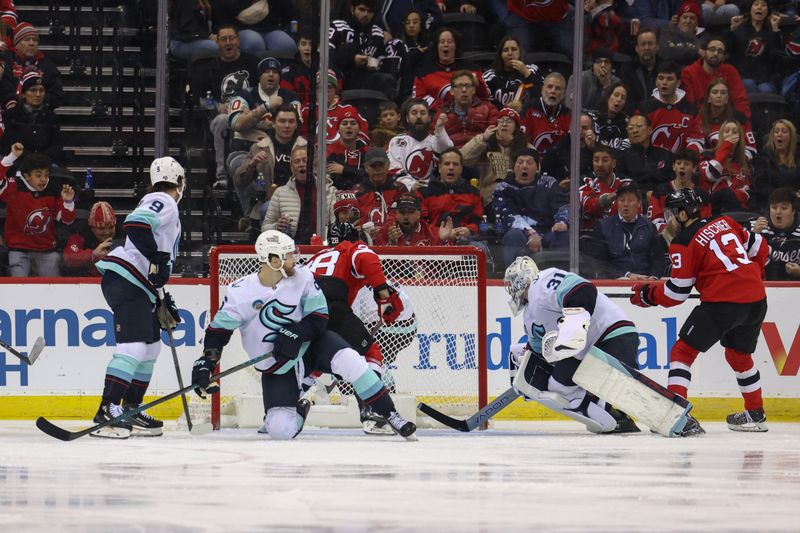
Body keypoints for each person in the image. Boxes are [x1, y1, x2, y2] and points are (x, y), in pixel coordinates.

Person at [192, 231, 416, 440]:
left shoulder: (303, 278)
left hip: (315, 346)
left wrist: (295, 333)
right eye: (288, 255)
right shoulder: (241, 292)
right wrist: (206, 362)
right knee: (280, 430)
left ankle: (391, 415)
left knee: (353, 361)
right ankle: (300, 405)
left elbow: (320, 318)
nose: (295, 259)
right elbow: (218, 331)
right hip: (280, 364)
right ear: (273, 260)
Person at [503, 255, 703, 436]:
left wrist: (575, 323)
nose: (511, 288)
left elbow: (583, 290)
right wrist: (526, 379)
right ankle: (616, 417)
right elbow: (540, 353)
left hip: (612, 333)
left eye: (512, 282)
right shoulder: (529, 317)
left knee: (625, 390)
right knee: (558, 386)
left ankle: (680, 420)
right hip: (585, 351)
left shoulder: (543, 280)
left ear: (522, 278)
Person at [630, 188, 769, 432]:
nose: (669, 219)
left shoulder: (683, 242)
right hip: (756, 299)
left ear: (683, 214)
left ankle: (676, 415)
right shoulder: (725, 221)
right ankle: (755, 413)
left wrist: (648, 294)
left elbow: (676, 293)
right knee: (739, 356)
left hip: (722, 302)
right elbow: (760, 247)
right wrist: (749, 276)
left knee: (682, 353)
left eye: (672, 213)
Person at [91, 157, 186, 438]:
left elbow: (150, 248)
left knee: (152, 347)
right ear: (180, 182)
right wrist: (156, 257)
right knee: (133, 346)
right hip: (126, 279)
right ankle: (107, 409)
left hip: (138, 283)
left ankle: (131, 408)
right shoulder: (164, 200)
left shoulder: (158, 201)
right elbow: (135, 224)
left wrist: (160, 295)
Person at [304, 227, 408, 433]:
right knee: (371, 354)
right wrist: (384, 296)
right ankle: (373, 412)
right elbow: (367, 258)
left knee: (314, 361)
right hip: (329, 303)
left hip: (303, 309)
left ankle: (285, 406)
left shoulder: (316, 256)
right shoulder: (351, 248)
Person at [189, 24, 259, 188]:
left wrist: (253, 108)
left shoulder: (253, 63)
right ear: (217, 43)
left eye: (231, 38)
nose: (228, 43)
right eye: (223, 39)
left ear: (238, 40)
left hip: (251, 115)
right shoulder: (209, 68)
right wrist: (216, 105)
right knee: (221, 120)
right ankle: (222, 176)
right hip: (223, 117)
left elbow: (262, 91)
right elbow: (200, 99)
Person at [0, 145, 75, 277]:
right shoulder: (14, 187)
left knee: (52, 288)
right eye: (38, 175)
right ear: (27, 176)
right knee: (18, 288)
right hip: (18, 249)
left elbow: (67, 220)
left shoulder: (53, 189)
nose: (43, 179)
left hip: (46, 250)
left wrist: (68, 202)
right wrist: (12, 156)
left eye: (46, 175)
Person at [493, 147, 568, 267]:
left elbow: (561, 204)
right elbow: (508, 215)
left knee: (564, 235)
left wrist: (561, 221)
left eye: (529, 162)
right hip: (520, 234)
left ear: (537, 168)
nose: (524, 166)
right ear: (513, 167)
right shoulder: (503, 187)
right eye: (520, 162)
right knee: (513, 236)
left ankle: (561, 279)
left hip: (548, 232)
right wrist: (531, 233)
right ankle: (516, 279)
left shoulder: (548, 183)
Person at [586, 182, 668, 279]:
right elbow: (599, 262)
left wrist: (654, 277)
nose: (625, 204)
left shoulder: (649, 226)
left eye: (630, 200)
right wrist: (626, 275)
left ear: (639, 203)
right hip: (615, 282)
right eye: (621, 200)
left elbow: (658, 258)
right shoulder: (603, 226)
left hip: (645, 281)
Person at [261, 145, 336, 241]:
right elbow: (265, 227)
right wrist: (276, 226)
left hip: (321, 245)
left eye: (305, 160)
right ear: (291, 168)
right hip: (292, 246)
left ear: (312, 164)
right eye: (297, 161)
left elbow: (335, 224)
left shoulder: (329, 190)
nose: (301, 164)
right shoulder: (280, 193)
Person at [460, 107, 530, 207]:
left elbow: (535, 171)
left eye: (509, 121)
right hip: (488, 199)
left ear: (516, 128)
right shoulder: (486, 142)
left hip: (516, 198)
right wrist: (482, 139)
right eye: (501, 121)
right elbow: (462, 158)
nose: (504, 124)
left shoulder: (525, 146)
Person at [329, 0, 399, 100]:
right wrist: (352, 60)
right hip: (341, 77)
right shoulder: (337, 27)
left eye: (369, 11)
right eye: (362, 10)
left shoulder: (377, 34)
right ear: (352, 9)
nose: (365, 14)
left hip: (365, 78)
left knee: (387, 79)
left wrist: (375, 65)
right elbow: (326, 55)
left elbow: (381, 60)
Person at [387, 98, 452, 191]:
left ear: (429, 117)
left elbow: (445, 148)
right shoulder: (397, 142)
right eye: (414, 113)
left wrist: (440, 129)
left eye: (422, 113)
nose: (418, 116)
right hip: (406, 192)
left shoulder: (436, 139)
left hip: (434, 191)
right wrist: (411, 185)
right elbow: (394, 170)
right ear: (407, 118)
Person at [685, 79, 757, 162]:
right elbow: (695, 142)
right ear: (708, 97)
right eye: (715, 92)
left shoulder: (739, 118)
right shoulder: (700, 118)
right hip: (707, 162)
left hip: (735, 163)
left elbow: (751, 148)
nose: (719, 96)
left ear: (727, 98)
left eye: (723, 93)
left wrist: (737, 161)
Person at [2, 71, 64, 165]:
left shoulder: (52, 117)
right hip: (18, 163)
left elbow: (56, 145)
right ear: (23, 94)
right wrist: (33, 161)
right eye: (33, 90)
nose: (38, 94)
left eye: (41, 90)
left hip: (46, 164)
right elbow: (10, 143)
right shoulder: (11, 115)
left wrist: (42, 160)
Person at [680, 36, 751, 119]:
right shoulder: (688, 72)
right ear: (703, 52)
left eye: (720, 51)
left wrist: (741, 117)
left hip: (726, 120)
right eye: (712, 49)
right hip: (699, 119)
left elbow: (740, 100)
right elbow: (690, 104)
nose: (715, 53)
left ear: (724, 57)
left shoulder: (730, 71)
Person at [0, 22, 63, 110]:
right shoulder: (6, 60)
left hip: (40, 116)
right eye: (27, 40)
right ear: (17, 44)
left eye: (35, 40)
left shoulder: (48, 65)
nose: (32, 43)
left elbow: (57, 94)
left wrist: (36, 101)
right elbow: (4, 86)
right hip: (9, 113)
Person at [647, 148, 712, 233]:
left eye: (686, 164)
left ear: (694, 168)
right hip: (666, 237)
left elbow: (705, 222)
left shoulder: (701, 194)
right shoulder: (660, 191)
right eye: (678, 163)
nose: (682, 167)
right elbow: (654, 219)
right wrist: (668, 230)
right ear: (673, 166)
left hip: (692, 238)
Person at [637, 60, 696, 152]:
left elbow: (696, 140)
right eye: (661, 78)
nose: (664, 82)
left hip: (681, 163)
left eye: (669, 79)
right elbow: (636, 138)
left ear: (678, 83)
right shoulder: (644, 108)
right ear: (656, 81)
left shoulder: (689, 109)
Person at [727, 0, 782, 94]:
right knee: (749, 84)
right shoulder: (739, 29)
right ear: (750, 9)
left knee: (766, 90)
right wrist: (732, 30)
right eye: (756, 4)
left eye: (764, 5)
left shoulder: (772, 32)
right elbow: (727, 51)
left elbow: (777, 58)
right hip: (743, 76)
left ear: (768, 11)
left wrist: (775, 29)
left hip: (765, 79)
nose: (759, 7)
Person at [697, 119, 752, 213]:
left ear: (740, 137)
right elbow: (711, 174)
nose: (730, 134)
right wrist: (726, 146)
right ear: (720, 135)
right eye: (727, 131)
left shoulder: (743, 163)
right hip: (711, 209)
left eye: (735, 132)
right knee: (726, 193)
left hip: (734, 210)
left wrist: (734, 195)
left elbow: (746, 192)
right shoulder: (707, 155)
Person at [434, 70, 499, 148]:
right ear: (452, 91)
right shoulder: (442, 112)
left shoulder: (488, 109)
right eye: (460, 86)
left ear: (474, 90)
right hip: (451, 156)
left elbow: (495, 134)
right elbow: (433, 139)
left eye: (468, 86)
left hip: (481, 154)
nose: (464, 90)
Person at [750, 187, 800, 281]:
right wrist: (753, 235)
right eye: (774, 207)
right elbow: (738, 260)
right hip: (761, 286)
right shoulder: (754, 226)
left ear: (793, 211)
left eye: (784, 208)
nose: (778, 212)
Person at [615, 114, 673, 194]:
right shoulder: (620, 157)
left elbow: (673, 183)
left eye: (639, 126)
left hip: (662, 199)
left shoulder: (665, 155)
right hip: (633, 200)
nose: (635, 131)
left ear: (650, 129)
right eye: (630, 128)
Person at [578, 145, 632, 230]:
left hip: (620, 234)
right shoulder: (585, 181)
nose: (599, 164)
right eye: (596, 160)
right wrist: (617, 195)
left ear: (613, 163)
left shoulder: (626, 183)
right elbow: (588, 207)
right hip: (590, 236)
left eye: (605, 160)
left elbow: (632, 211)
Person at [354, 147, 405, 238]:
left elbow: (404, 215)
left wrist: (382, 232)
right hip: (365, 242)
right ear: (366, 167)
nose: (377, 169)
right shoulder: (357, 192)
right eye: (373, 166)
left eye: (381, 165)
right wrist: (363, 231)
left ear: (388, 165)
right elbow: (353, 220)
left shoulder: (399, 189)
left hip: (395, 239)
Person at [752, 119, 800, 213]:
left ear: (791, 136)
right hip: (770, 204)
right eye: (776, 131)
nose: (779, 134)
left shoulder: (798, 158)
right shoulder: (762, 158)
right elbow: (761, 187)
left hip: (795, 203)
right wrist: (790, 195)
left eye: (784, 131)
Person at [482, 35, 540, 110]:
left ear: (520, 53)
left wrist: (527, 74)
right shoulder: (490, 76)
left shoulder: (532, 70)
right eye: (505, 50)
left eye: (514, 49)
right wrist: (506, 108)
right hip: (499, 118)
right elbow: (484, 102)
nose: (510, 53)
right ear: (500, 55)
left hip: (526, 117)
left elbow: (542, 96)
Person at [62, 201, 118, 276]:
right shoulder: (79, 235)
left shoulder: (125, 235)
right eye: (101, 228)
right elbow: (68, 256)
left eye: (111, 227)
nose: (107, 232)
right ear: (92, 228)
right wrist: (93, 254)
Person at [522, 72, 571, 155]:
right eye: (549, 87)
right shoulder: (529, 108)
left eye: (558, 88)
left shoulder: (568, 114)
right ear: (542, 89)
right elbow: (522, 140)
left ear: (564, 93)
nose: (553, 91)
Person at [565, 47, 621, 111]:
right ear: (593, 64)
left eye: (607, 62)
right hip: (581, 119)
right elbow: (571, 106)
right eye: (599, 61)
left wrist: (606, 86)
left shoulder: (616, 82)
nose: (603, 65)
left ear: (611, 65)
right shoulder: (578, 78)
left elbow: (614, 109)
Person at [373, 192, 441, 245]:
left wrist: (444, 241)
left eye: (410, 212)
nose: (406, 217)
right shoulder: (386, 231)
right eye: (402, 212)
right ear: (396, 213)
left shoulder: (432, 232)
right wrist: (392, 243)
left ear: (419, 213)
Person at [620, 29, 660, 113]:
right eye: (643, 44)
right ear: (637, 49)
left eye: (650, 44)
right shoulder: (628, 69)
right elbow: (628, 101)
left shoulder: (665, 69)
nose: (646, 48)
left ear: (657, 47)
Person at [657, 1, 703, 67]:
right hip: (671, 73)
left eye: (692, 18)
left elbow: (702, 60)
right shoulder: (667, 32)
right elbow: (666, 54)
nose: (688, 21)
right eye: (685, 17)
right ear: (679, 19)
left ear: (697, 22)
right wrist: (696, 51)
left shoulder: (703, 37)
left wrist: (675, 49)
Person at [588, 82, 630, 151]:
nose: (619, 99)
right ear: (608, 96)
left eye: (623, 98)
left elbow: (625, 152)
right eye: (616, 95)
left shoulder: (627, 123)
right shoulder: (593, 119)